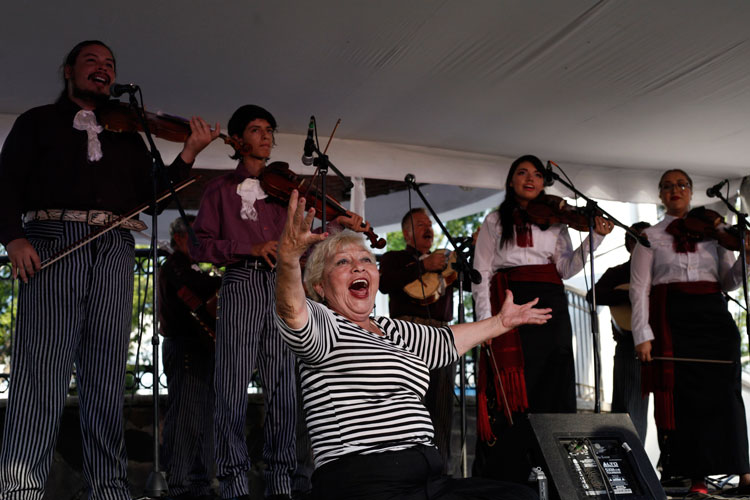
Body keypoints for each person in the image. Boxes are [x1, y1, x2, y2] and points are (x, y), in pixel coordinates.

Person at [0, 40, 218, 500]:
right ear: (68, 70)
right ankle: (21, 488)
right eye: (92, 61)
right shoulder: (37, 121)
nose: (103, 69)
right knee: (42, 371)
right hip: (54, 240)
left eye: (110, 64)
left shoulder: (127, 135)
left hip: (116, 247)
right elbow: (5, 184)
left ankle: (108, 488)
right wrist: (13, 238)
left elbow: (152, 198)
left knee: (105, 374)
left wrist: (189, 153)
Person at [274, 189, 550, 500]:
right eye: (342, 262)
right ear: (320, 286)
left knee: (521, 497)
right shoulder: (324, 323)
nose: (358, 266)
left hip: (425, 480)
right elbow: (291, 310)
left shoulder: (392, 329)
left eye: (365, 259)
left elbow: (446, 342)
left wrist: (500, 322)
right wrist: (288, 260)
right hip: (364, 481)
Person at [190, 104, 367, 500]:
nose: (266, 136)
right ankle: (233, 482)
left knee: (283, 387)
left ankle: (281, 481)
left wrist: (336, 224)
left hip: (285, 285)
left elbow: (305, 244)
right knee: (231, 385)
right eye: (256, 129)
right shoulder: (219, 189)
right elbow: (200, 247)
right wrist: (249, 247)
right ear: (237, 140)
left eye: (269, 129)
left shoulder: (288, 193)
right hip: (241, 283)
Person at [471, 154, 613, 484]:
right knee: (518, 389)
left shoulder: (555, 218)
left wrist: (595, 237)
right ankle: (510, 477)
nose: (530, 179)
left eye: (537, 174)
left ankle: (555, 475)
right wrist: (485, 324)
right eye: (522, 173)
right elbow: (482, 272)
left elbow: (565, 268)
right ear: (511, 181)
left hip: (551, 304)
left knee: (554, 382)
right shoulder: (495, 220)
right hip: (511, 302)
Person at [630, 169, 750, 494]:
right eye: (668, 186)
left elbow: (729, 282)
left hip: (713, 316)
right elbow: (639, 288)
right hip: (674, 319)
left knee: (727, 394)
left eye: (682, 185)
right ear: (660, 194)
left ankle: (744, 473)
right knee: (687, 401)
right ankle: (697, 479)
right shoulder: (650, 236)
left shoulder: (715, 233)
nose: (676, 190)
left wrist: (747, 258)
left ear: (692, 191)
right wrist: (642, 333)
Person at [378, 208, 457, 472]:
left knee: (442, 405)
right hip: (408, 332)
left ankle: (441, 470)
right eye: (421, 224)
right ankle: (408, 470)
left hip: (442, 334)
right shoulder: (394, 258)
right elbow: (385, 283)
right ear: (406, 233)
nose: (428, 228)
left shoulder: (446, 262)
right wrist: (423, 265)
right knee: (410, 403)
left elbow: (471, 281)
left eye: (430, 224)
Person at [159, 215, 222, 500]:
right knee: (185, 416)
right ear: (180, 238)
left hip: (201, 348)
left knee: (204, 417)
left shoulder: (190, 265)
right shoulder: (173, 266)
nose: (200, 243)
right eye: (196, 237)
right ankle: (179, 484)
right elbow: (198, 286)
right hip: (184, 346)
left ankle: (200, 483)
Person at [586, 222, 651, 443]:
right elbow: (592, 295)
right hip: (630, 345)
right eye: (638, 240)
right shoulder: (619, 272)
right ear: (629, 244)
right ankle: (631, 456)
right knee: (628, 410)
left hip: (663, 345)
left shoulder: (663, 271)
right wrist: (630, 296)